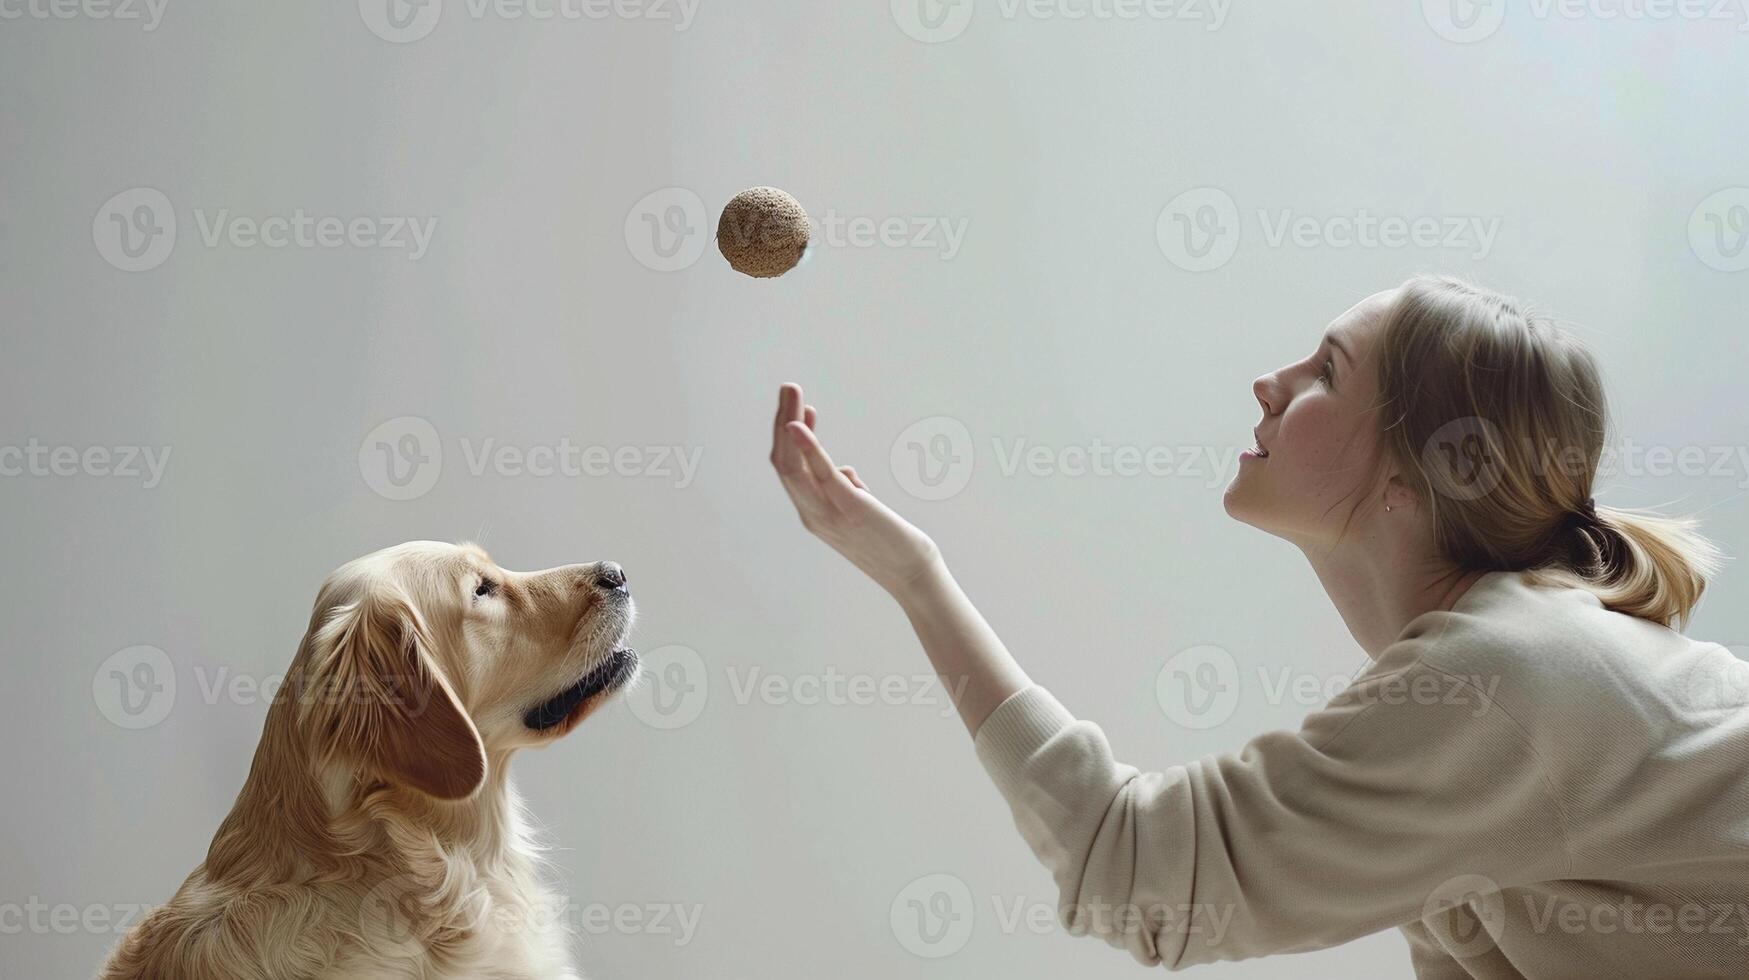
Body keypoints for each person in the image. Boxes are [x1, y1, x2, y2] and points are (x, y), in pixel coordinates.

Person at [768, 275, 1748, 977]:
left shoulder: (1517, 676)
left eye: (1327, 368)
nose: (1267, 381)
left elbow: (1140, 875)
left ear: (1418, 474)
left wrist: (917, 577)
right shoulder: (1507, 683)